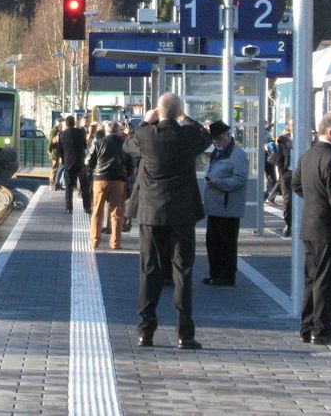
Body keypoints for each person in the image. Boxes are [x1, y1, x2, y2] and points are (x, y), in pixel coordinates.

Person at [123, 92, 212, 350]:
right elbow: (207, 138)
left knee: (149, 269)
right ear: (179, 112)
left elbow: (127, 145)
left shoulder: (145, 135)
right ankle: (185, 334)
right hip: (182, 213)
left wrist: (144, 122)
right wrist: (187, 119)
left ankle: (145, 333)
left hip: (151, 213)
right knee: (182, 271)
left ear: (157, 112)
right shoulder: (189, 136)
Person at [292, 112, 331, 345]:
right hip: (327, 227)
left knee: (311, 278)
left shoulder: (308, 155)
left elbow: (296, 185)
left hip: (309, 224)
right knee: (325, 279)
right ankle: (321, 329)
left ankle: (306, 325)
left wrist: (313, 200)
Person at [202, 121, 249, 287]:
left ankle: (227, 276)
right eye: (215, 140)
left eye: (219, 139)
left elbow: (240, 179)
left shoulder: (237, 154)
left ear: (228, 136)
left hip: (228, 207)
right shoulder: (217, 153)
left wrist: (219, 183)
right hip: (214, 207)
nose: (217, 142)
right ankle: (215, 274)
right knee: (212, 242)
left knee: (227, 243)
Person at [85, 120, 134, 249]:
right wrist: (124, 175)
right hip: (119, 180)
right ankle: (115, 243)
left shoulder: (98, 143)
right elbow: (131, 165)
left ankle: (94, 240)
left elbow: (89, 162)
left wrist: (95, 171)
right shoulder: (125, 144)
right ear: (118, 131)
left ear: (106, 131)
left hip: (100, 179)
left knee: (97, 210)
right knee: (117, 211)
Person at [57, 115, 91, 214]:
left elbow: (60, 151)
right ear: (74, 123)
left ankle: (69, 208)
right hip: (80, 163)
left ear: (66, 124)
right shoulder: (81, 132)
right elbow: (85, 146)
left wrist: (64, 161)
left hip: (68, 164)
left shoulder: (62, 135)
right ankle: (87, 207)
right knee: (85, 186)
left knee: (68, 187)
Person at [275, 133, 294, 236]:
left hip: (298, 174)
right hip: (287, 174)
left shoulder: (302, 145)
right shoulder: (282, 148)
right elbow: (278, 161)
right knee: (287, 201)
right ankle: (288, 224)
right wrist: (282, 172)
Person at [48, 119, 64, 191]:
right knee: (54, 168)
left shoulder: (57, 130)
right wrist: (49, 150)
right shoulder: (54, 130)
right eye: (61, 124)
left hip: (57, 151)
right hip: (55, 151)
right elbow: (51, 141)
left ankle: (55, 183)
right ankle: (52, 183)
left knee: (57, 167)